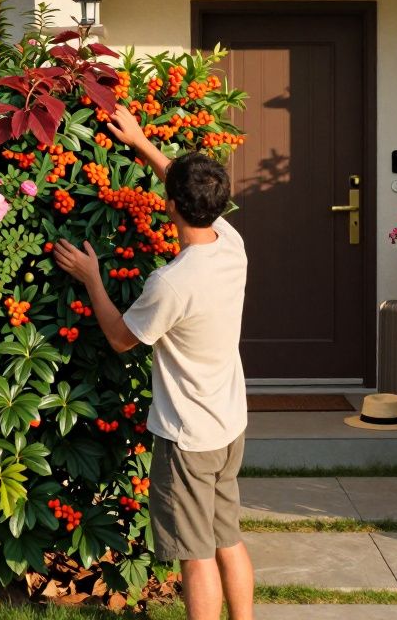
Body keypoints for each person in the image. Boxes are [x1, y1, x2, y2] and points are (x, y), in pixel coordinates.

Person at [53, 105, 253, 620]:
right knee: (227, 537)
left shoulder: (172, 283)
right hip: (229, 425)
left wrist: (92, 278)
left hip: (189, 437)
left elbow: (121, 339)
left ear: (169, 207)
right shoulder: (232, 245)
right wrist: (143, 142)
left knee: (195, 555)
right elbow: (188, 188)